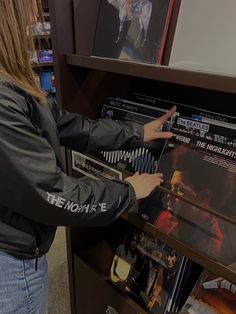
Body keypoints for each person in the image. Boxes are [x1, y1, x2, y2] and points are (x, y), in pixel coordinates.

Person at [0, 1, 176, 313]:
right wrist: (128, 191)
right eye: (28, 10)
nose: (33, 21)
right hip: (13, 261)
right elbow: (50, 194)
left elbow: (69, 125)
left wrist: (137, 133)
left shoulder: (14, 84)